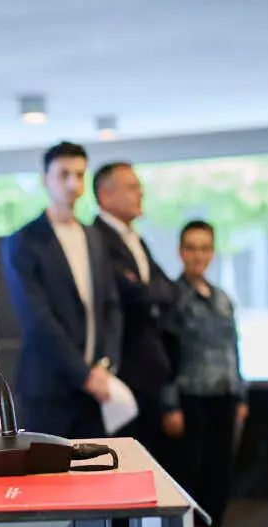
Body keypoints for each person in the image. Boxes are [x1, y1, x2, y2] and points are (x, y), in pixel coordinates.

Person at [1, 142, 122, 439]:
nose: (73, 184)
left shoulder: (94, 238)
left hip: (96, 390)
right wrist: (84, 375)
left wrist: (104, 366)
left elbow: (111, 308)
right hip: (48, 390)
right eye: (64, 174)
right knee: (47, 482)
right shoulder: (24, 241)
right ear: (45, 179)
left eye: (80, 175)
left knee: (95, 478)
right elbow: (37, 320)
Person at [162, 221, 247, 527]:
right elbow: (164, 355)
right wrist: (169, 404)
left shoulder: (223, 298)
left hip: (224, 396)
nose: (198, 255)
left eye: (204, 248)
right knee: (188, 474)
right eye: (191, 248)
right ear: (181, 252)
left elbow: (234, 348)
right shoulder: (171, 297)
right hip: (189, 398)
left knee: (218, 473)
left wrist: (241, 395)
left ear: (212, 253)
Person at [91, 162, 179, 464]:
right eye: (131, 187)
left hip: (149, 369)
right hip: (121, 368)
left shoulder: (136, 239)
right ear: (105, 195)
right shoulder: (97, 238)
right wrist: (145, 290)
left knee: (148, 464)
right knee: (121, 462)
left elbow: (169, 290)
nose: (140, 193)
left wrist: (144, 290)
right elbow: (131, 294)